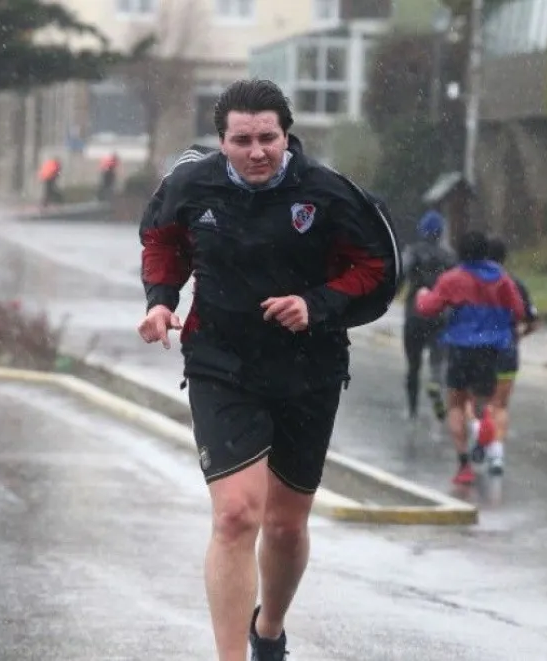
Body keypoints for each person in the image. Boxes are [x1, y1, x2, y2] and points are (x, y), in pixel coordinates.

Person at [136, 79, 400, 661]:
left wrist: (316, 304)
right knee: (235, 516)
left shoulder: (327, 193)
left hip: (309, 368)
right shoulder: (191, 185)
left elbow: (376, 269)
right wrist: (161, 300)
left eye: (267, 138)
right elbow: (161, 241)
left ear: (286, 135)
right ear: (221, 141)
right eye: (242, 140)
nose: (256, 152)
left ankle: (270, 630)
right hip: (221, 362)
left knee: (284, 525)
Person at [414, 230, 525, 486]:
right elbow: (518, 311)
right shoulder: (502, 278)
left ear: (460, 252)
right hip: (492, 351)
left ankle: (464, 465)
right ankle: (484, 423)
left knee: (455, 405)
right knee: (484, 402)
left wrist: (421, 296)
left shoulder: (453, 278)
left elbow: (428, 308)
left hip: (461, 349)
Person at [485, 236, 540, 475]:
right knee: (500, 405)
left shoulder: (473, 282)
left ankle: (479, 436)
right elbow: (533, 321)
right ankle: (497, 454)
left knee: (476, 402)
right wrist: (518, 337)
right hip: (507, 350)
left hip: (477, 351)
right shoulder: (515, 284)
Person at [401, 208, 456, 422]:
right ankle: (435, 384)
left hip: (414, 314)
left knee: (413, 366)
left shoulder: (412, 252)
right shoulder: (449, 256)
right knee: (437, 360)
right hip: (440, 315)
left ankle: (412, 409)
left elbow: (401, 275)